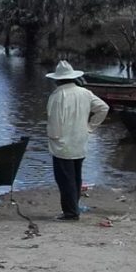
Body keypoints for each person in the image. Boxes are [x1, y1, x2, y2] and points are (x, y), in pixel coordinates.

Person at [45, 61, 109, 221]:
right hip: (80, 141)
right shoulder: (85, 93)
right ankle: (73, 208)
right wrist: (90, 127)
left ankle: (71, 212)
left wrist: (53, 138)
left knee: (65, 179)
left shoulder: (57, 95)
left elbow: (54, 123)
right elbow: (103, 108)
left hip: (62, 144)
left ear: (57, 80)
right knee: (76, 177)